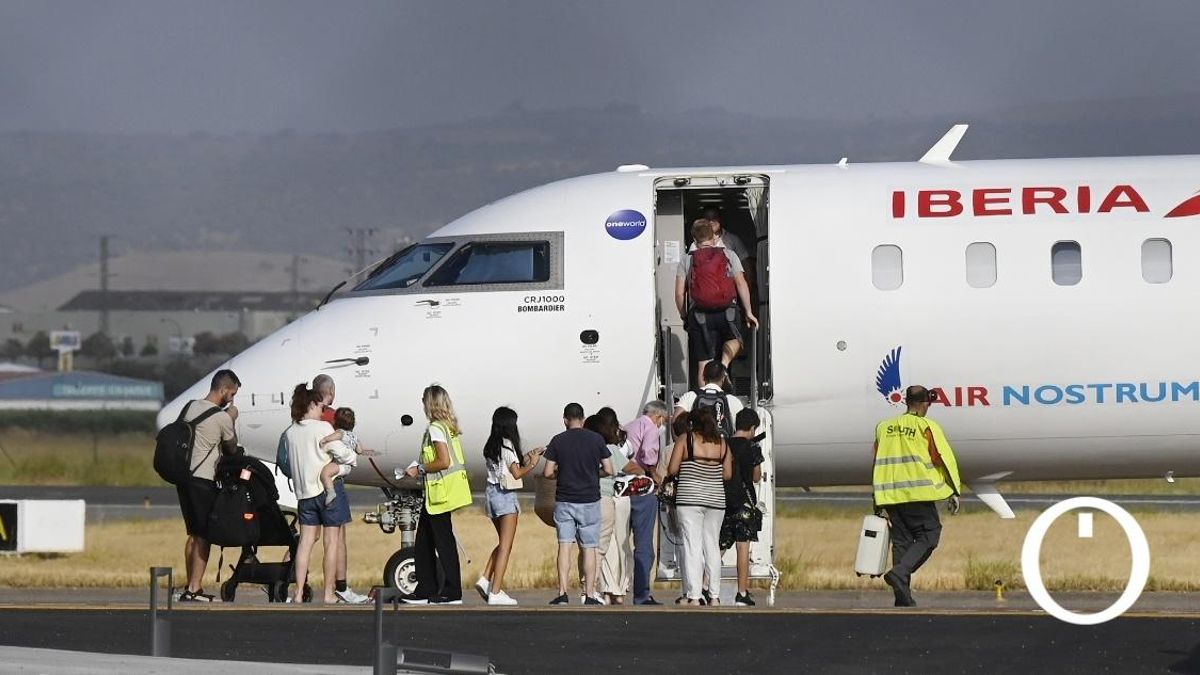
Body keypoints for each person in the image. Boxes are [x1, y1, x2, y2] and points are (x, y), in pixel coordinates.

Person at [873, 385, 964, 607]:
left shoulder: (884, 428)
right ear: (925, 403)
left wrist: (876, 499)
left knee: (902, 543)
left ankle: (902, 597)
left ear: (906, 402)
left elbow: (876, 461)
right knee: (929, 536)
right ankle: (900, 572)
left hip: (890, 496)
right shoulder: (927, 427)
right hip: (918, 494)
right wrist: (954, 490)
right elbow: (943, 458)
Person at [284, 384, 357, 603]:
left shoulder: (290, 433)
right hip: (327, 492)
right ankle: (328, 593)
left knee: (305, 544)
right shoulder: (323, 428)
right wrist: (348, 462)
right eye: (320, 406)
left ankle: (298, 592)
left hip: (304, 494)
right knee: (331, 542)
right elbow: (345, 455)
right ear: (313, 404)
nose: (323, 410)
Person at [175, 369, 241, 602]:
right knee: (204, 535)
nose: (232, 399)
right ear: (223, 390)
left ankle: (188, 584)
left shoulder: (190, 407)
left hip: (183, 478)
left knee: (193, 534)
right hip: (203, 480)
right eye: (231, 393)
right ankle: (194, 588)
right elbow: (232, 448)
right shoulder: (222, 418)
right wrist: (231, 417)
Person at [403, 385, 473, 604]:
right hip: (444, 491)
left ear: (429, 403)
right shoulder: (447, 427)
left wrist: (420, 469)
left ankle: (452, 592)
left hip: (440, 493)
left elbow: (443, 461)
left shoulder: (435, 428)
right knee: (424, 541)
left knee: (443, 543)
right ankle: (426, 588)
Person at [543, 403, 613, 606]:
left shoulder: (558, 440)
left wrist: (561, 473)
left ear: (565, 419)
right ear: (582, 419)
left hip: (565, 499)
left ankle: (563, 592)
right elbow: (609, 469)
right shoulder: (596, 439)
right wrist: (594, 473)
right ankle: (589, 594)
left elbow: (548, 473)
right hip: (590, 499)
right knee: (590, 548)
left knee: (565, 546)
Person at [309, 374, 371, 604]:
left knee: (308, 536)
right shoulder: (331, 418)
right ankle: (340, 587)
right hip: (332, 481)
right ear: (331, 392)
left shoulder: (305, 417)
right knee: (337, 537)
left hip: (308, 483)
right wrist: (351, 460)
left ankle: (293, 583)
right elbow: (344, 448)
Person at [676, 218, 758, 386]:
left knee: (703, 362)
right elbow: (741, 283)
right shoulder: (728, 254)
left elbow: (679, 293)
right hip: (727, 312)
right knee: (736, 340)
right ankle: (723, 365)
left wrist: (684, 316)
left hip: (699, 315)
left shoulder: (687, 259)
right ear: (714, 236)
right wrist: (748, 312)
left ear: (694, 239)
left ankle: (706, 401)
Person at [477, 406, 544, 606]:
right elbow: (516, 473)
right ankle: (495, 591)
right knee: (507, 546)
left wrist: (527, 457)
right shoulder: (508, 445)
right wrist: (533, 464)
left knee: (502, 542)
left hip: (491, 494)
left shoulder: (492, 445)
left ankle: (486, 579)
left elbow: (506, 466)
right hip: (505, 496)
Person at [668, 406, 732, 605]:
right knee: (712, 546)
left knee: (692, 546)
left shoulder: (685, 439)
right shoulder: (722, 444)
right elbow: (727, 474)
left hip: (689, 499)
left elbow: (672, 469)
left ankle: (694, 595)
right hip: (715, 500)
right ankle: (714, 595)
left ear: (691, 423)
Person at [623, 400, 670, 605]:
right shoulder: (651, 428)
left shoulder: (629, 426)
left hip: (622, 488)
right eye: (663, 420)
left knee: (620, 542)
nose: (662, 425)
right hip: (642, 489)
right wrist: (656, 477)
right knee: (644, 545)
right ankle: (641, 594)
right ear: (658, 416)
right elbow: (648, 456)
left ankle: (614, 591)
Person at [588, 410, 634, 605]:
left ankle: (608, 588)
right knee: (621, 542)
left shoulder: (593, 448)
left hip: (599, 497)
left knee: (605, 546)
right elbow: (631, 467)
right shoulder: (614, 447)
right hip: (619, 496)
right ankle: (619, 588)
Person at [720, 408, 765, 607]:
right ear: (753, 428)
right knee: (742, 548)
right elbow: (756, 477)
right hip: (744, 502)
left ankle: (705, 585)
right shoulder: (752, 447)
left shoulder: (723, 444)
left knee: (719, 547)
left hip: (723, 501)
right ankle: (742, 592)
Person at [673, 361, 744, 436]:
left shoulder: (690, 396)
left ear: (703, 377)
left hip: (697, 445)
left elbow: (675, 421)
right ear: (723, 378)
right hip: (723, 445)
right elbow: (743, 430)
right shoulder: (733, 400)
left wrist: (682, 444)